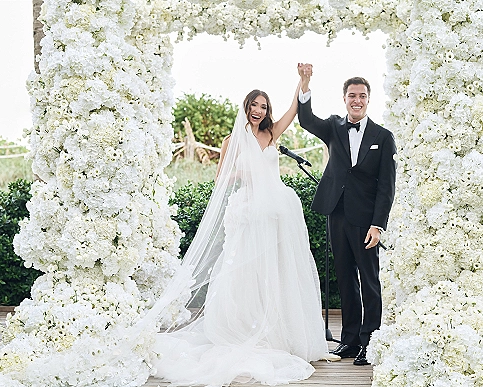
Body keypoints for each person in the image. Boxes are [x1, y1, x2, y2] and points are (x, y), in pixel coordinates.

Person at [142, 77, 339, 386]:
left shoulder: (272, 133)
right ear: (246, 107)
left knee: (278, 270)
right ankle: (247, 326)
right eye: (254, 105)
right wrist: (243, 171)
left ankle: (281, 330)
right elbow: (222, 177)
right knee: (247, 271)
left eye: (263, 106)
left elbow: (292, 110)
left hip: (276, 211)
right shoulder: (232, 140)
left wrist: (303, 82)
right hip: (249, 211)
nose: (259, 110)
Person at [297, 63, 397, 366]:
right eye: (352, 95)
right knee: (345, 280)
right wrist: (305, 82)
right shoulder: (334, 127)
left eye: (362, 96)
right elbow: (305, 119)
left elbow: (387, 188)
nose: (357, 100)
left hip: (366, 220)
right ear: (344, 99)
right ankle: (351, 341)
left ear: (368, 100)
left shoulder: (383, 136)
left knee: (369, 281)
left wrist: (377, 225)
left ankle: (371, 341)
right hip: (337, 214)